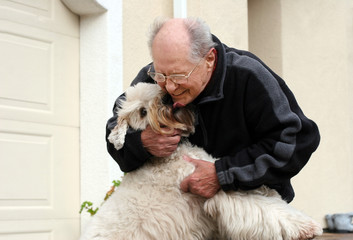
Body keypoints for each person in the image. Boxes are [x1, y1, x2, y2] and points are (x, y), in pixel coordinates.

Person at [106, 17, 320, 203]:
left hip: (256, 211)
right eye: (161, 75)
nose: (169, 87)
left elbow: (296, 141)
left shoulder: (248, 76)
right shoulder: (151, 76)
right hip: (187, 219)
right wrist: (141, 143)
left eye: (179, 77)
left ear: (209, 59)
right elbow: (116, 130)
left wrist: (223, 174)